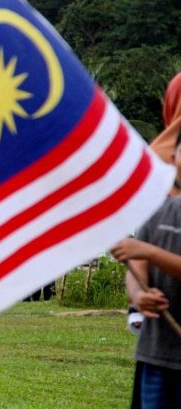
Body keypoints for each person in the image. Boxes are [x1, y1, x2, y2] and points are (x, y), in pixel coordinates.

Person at [111, 131, 181, 408]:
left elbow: (143, 252)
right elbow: (136, 266)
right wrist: (139, 296)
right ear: (174, 158)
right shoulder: (159, 210)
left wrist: (150, 252)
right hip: (156, 354)